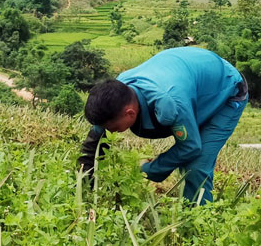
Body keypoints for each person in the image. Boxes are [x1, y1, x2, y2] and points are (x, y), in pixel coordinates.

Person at [79, 46, 248, 204]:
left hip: (226, 88)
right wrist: (83, 185)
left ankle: (198, 223)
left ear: (130, 113)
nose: (111, 132)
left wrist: (149, 168)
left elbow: (190, 146)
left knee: (196, 166)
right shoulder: (117, 94)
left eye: (114, 129)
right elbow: (96, 142)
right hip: (190, 76)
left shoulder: (170, 105)